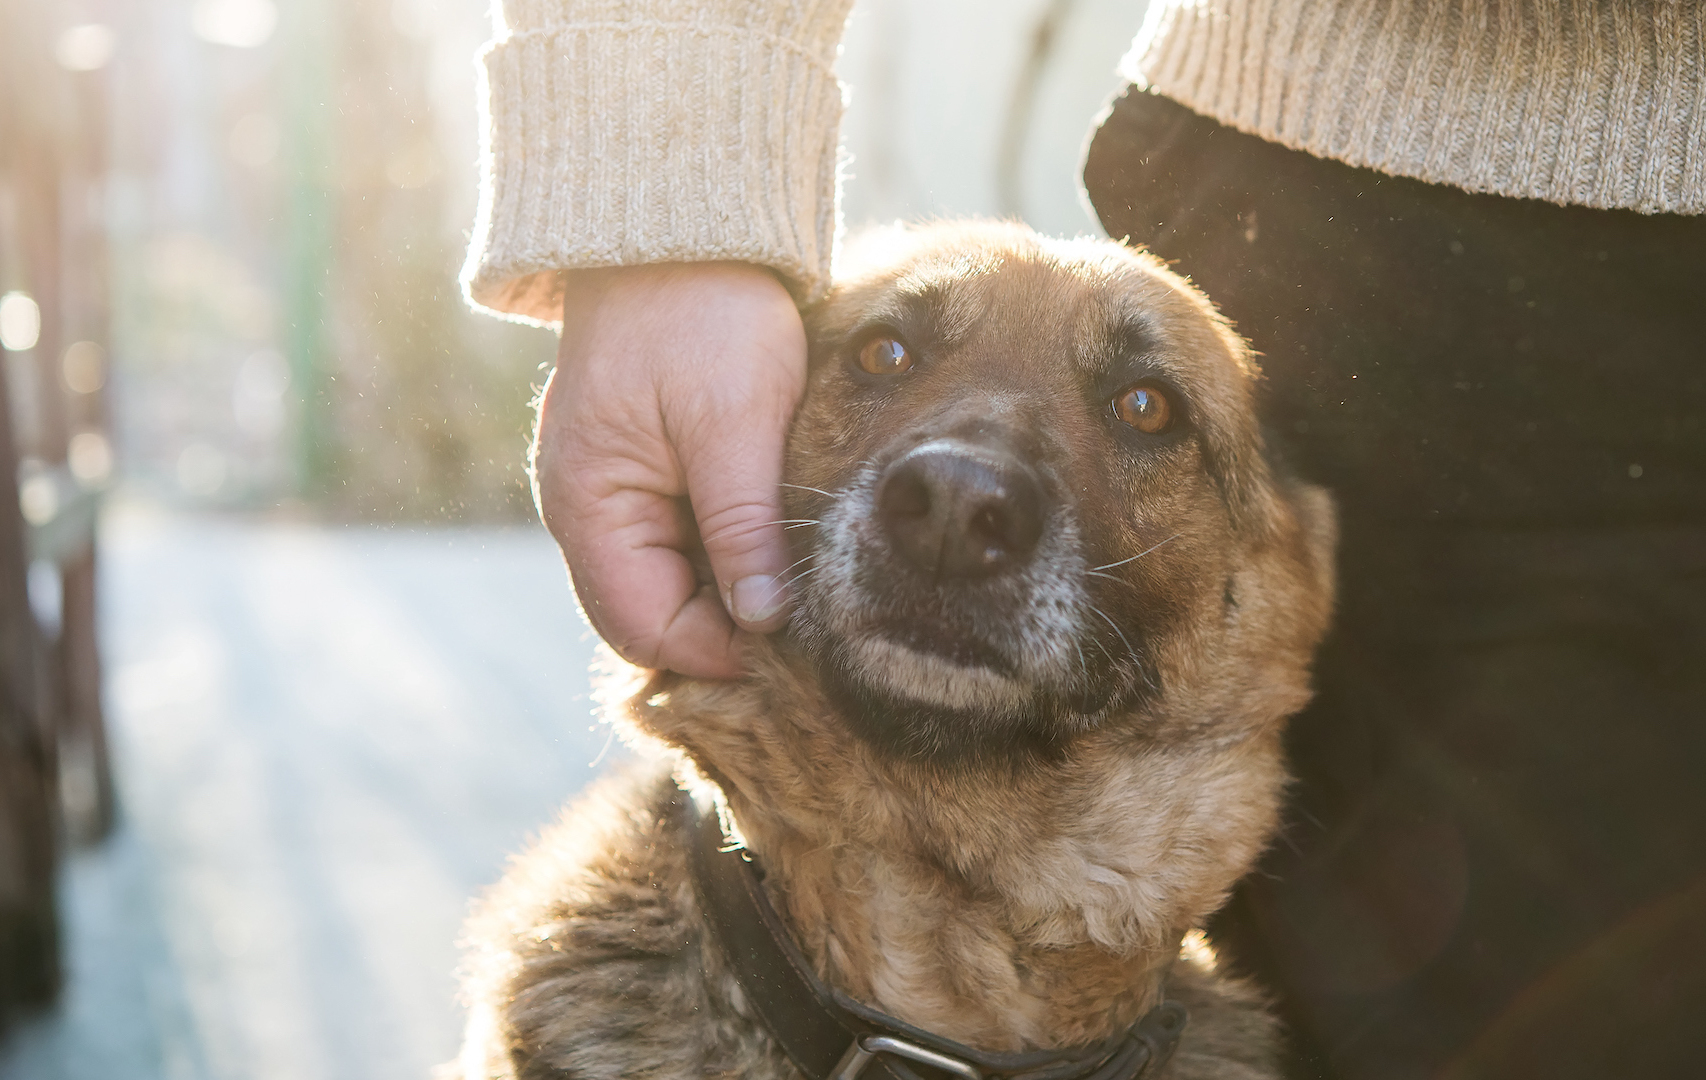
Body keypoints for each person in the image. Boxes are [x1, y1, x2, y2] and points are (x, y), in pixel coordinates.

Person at [462, 2, 1706, 1076]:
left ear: (1282, 582)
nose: (964, 487)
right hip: (1335, 200)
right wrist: (668, 209)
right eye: (886, 356)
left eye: (1141, 411)